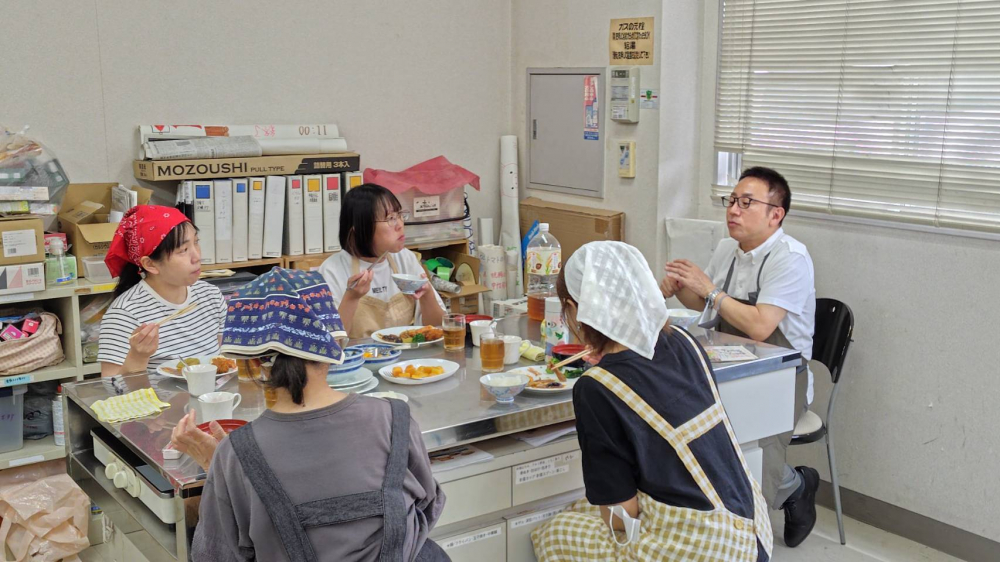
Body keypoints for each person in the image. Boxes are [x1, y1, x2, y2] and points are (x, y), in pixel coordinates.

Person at [181, 268, 448, 561]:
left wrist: (224, 466)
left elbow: (216, 555)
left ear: (253, 361)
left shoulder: (235, 454)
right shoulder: (395, 418)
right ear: (332, 342)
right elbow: (428, 506)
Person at [531, 242, 772, 562]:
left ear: (576, 310)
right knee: (583, 510)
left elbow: (622, 513)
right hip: (750, 534)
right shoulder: (684, 342)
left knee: (556, 531)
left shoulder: (596, 387)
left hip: (703, 550)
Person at [661, 166, 818, 547]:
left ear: (775, 214)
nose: (733, 210)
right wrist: (681, 287)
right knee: (680, 428)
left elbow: (762, 326)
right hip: (725, 363)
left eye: (747, 203)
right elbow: (706, 304)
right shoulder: (727, 248)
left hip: (780, 377)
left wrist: (709, 290)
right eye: (731, 200)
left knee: (754, 469)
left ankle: (795, 488)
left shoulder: (790, 257)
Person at [98, 205, 226, 377]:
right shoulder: (125, 313)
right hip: (158, 403)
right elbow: (112, 389)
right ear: (150, 264)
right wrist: (138, 355)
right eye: (183, 250)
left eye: (196, 242)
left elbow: (226, 359)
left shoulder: (210, 295)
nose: (196, 257)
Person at [318, 183, 446, 338]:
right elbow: (330, 343)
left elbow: (439, 328)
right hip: (358, 360)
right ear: (359, 229)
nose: (400, 224)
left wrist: (427, 296)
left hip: (405, 359)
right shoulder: (331, 270)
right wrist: (351, 298)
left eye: (400, 215)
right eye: (390, 218)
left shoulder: (405, 258)